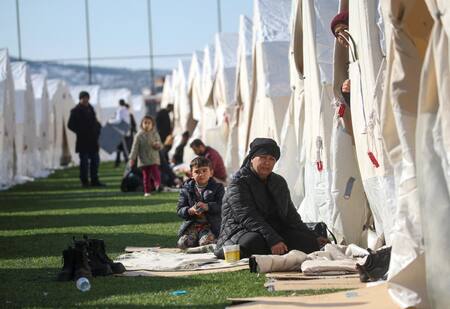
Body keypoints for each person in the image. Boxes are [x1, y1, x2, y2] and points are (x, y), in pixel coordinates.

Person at [214, 138, 329, 259]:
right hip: (241, 230)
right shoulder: (238, 182)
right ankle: (276, 249)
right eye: (263, 157)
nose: (267, 162)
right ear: (252, 158)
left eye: (272, 159)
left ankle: (278, 249)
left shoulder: (278, 182)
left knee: (308, 242)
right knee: (254, 242)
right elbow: (248, 217)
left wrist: (312, 236)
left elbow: (291, 215)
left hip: (274, 230)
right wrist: (273, 239)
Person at [176, 157, 225, 249]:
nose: (201, 174)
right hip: (193, 225)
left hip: (211, 226)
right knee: (183, 245)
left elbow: (223, 206)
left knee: (206, 244)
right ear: (191, 174)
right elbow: (179, 209)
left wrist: (208, 206)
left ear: (211, 172)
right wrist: (190, 210)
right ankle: (197, 240)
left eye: (204, 171)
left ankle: (206, 239)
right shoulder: (185, 189)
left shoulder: (218, 188)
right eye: (197, 171)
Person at [67, 91, 105, 187]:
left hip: (93, 140)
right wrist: (80, 131)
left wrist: (99, 129)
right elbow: (70, 125)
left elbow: (94, 122)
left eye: (86, 97)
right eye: (83, 98)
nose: (85, 99)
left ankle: (94, 180)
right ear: (80, 99)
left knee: (95, 161)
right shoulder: (75, 111)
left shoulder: (91, 109)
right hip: (83, 141)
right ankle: (84, 181)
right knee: (84, 162)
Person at [330, 11, 353, 136]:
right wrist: (347, 91)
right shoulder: (351, 60)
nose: (341, 36)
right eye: (337, 34)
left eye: (344, 29)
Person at [129, 116, 162, 197]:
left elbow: (160, 144)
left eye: (149, 123)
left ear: (152, 124)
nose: (147, 125)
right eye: (145, 123)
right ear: (141, 124)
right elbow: (135, 148)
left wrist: (157, 145)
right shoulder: (138, 135)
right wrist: (132, 158)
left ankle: (158, 184)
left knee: (155, 172)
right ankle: (147, 191)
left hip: (153, 158)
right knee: (146, 176)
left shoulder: (154, 133)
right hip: (143, 160)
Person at [109, 99, 131, 167]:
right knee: (123, 148)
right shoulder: (127, 110)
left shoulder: (120, 110)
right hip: (126, 131)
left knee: (122, 148)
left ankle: (128, 162)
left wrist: (110, 121)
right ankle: (123, 162)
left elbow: (118, 120)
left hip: (120, 131)